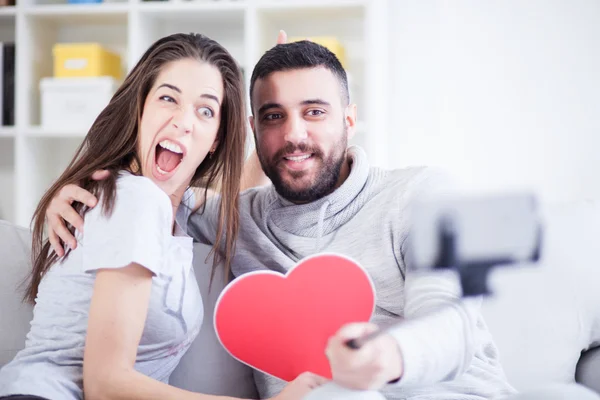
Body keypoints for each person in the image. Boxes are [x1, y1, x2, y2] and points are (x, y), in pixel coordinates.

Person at [43, 37, 600, 400]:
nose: (295, 135)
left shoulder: (424, 193)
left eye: (315, 112)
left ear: (350, 119)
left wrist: (385, 356)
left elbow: (452, 318)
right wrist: (66, 198)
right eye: (273, 117)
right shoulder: (236, 221)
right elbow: (153, 194)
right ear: (251, 133)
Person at [0, 33, 325, 400]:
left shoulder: (171, 206)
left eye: (205, 111)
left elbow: (235, 202)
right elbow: (105, 386)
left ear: (216, 137)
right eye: (168, 98)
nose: (183, 122)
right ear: (139, 109)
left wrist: (275, 115)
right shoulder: (135, 199)